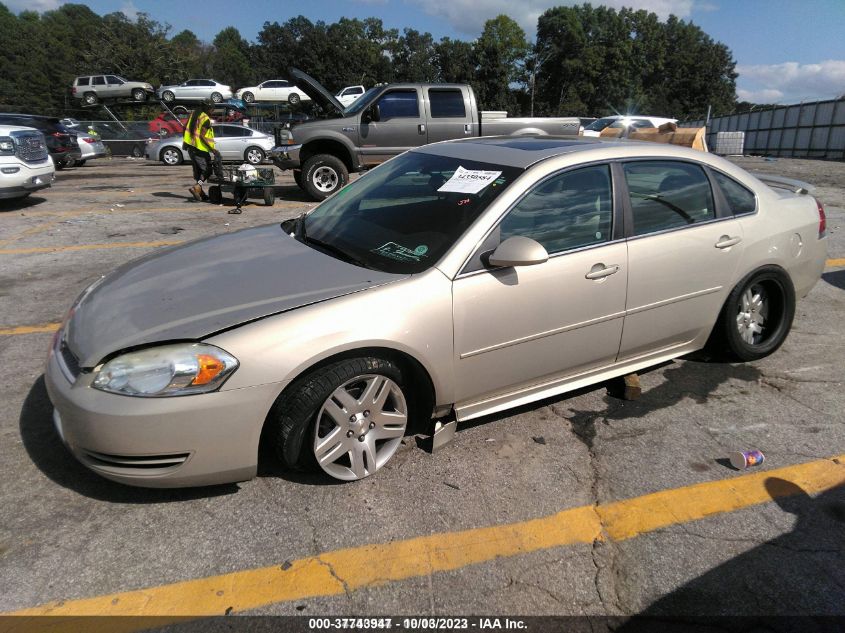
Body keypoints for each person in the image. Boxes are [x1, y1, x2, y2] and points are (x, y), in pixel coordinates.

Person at [183, 100, 221, 201]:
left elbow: (185, 128)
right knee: (207, 170)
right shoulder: (205, 119)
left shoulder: (194, 115)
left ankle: (200, 193)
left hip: (191, 148)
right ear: (209, 109)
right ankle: (197, 187)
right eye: (212, 109)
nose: (213, 111)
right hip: (200, 149)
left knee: (199, 172)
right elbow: (202, 135)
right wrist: (212, 149)